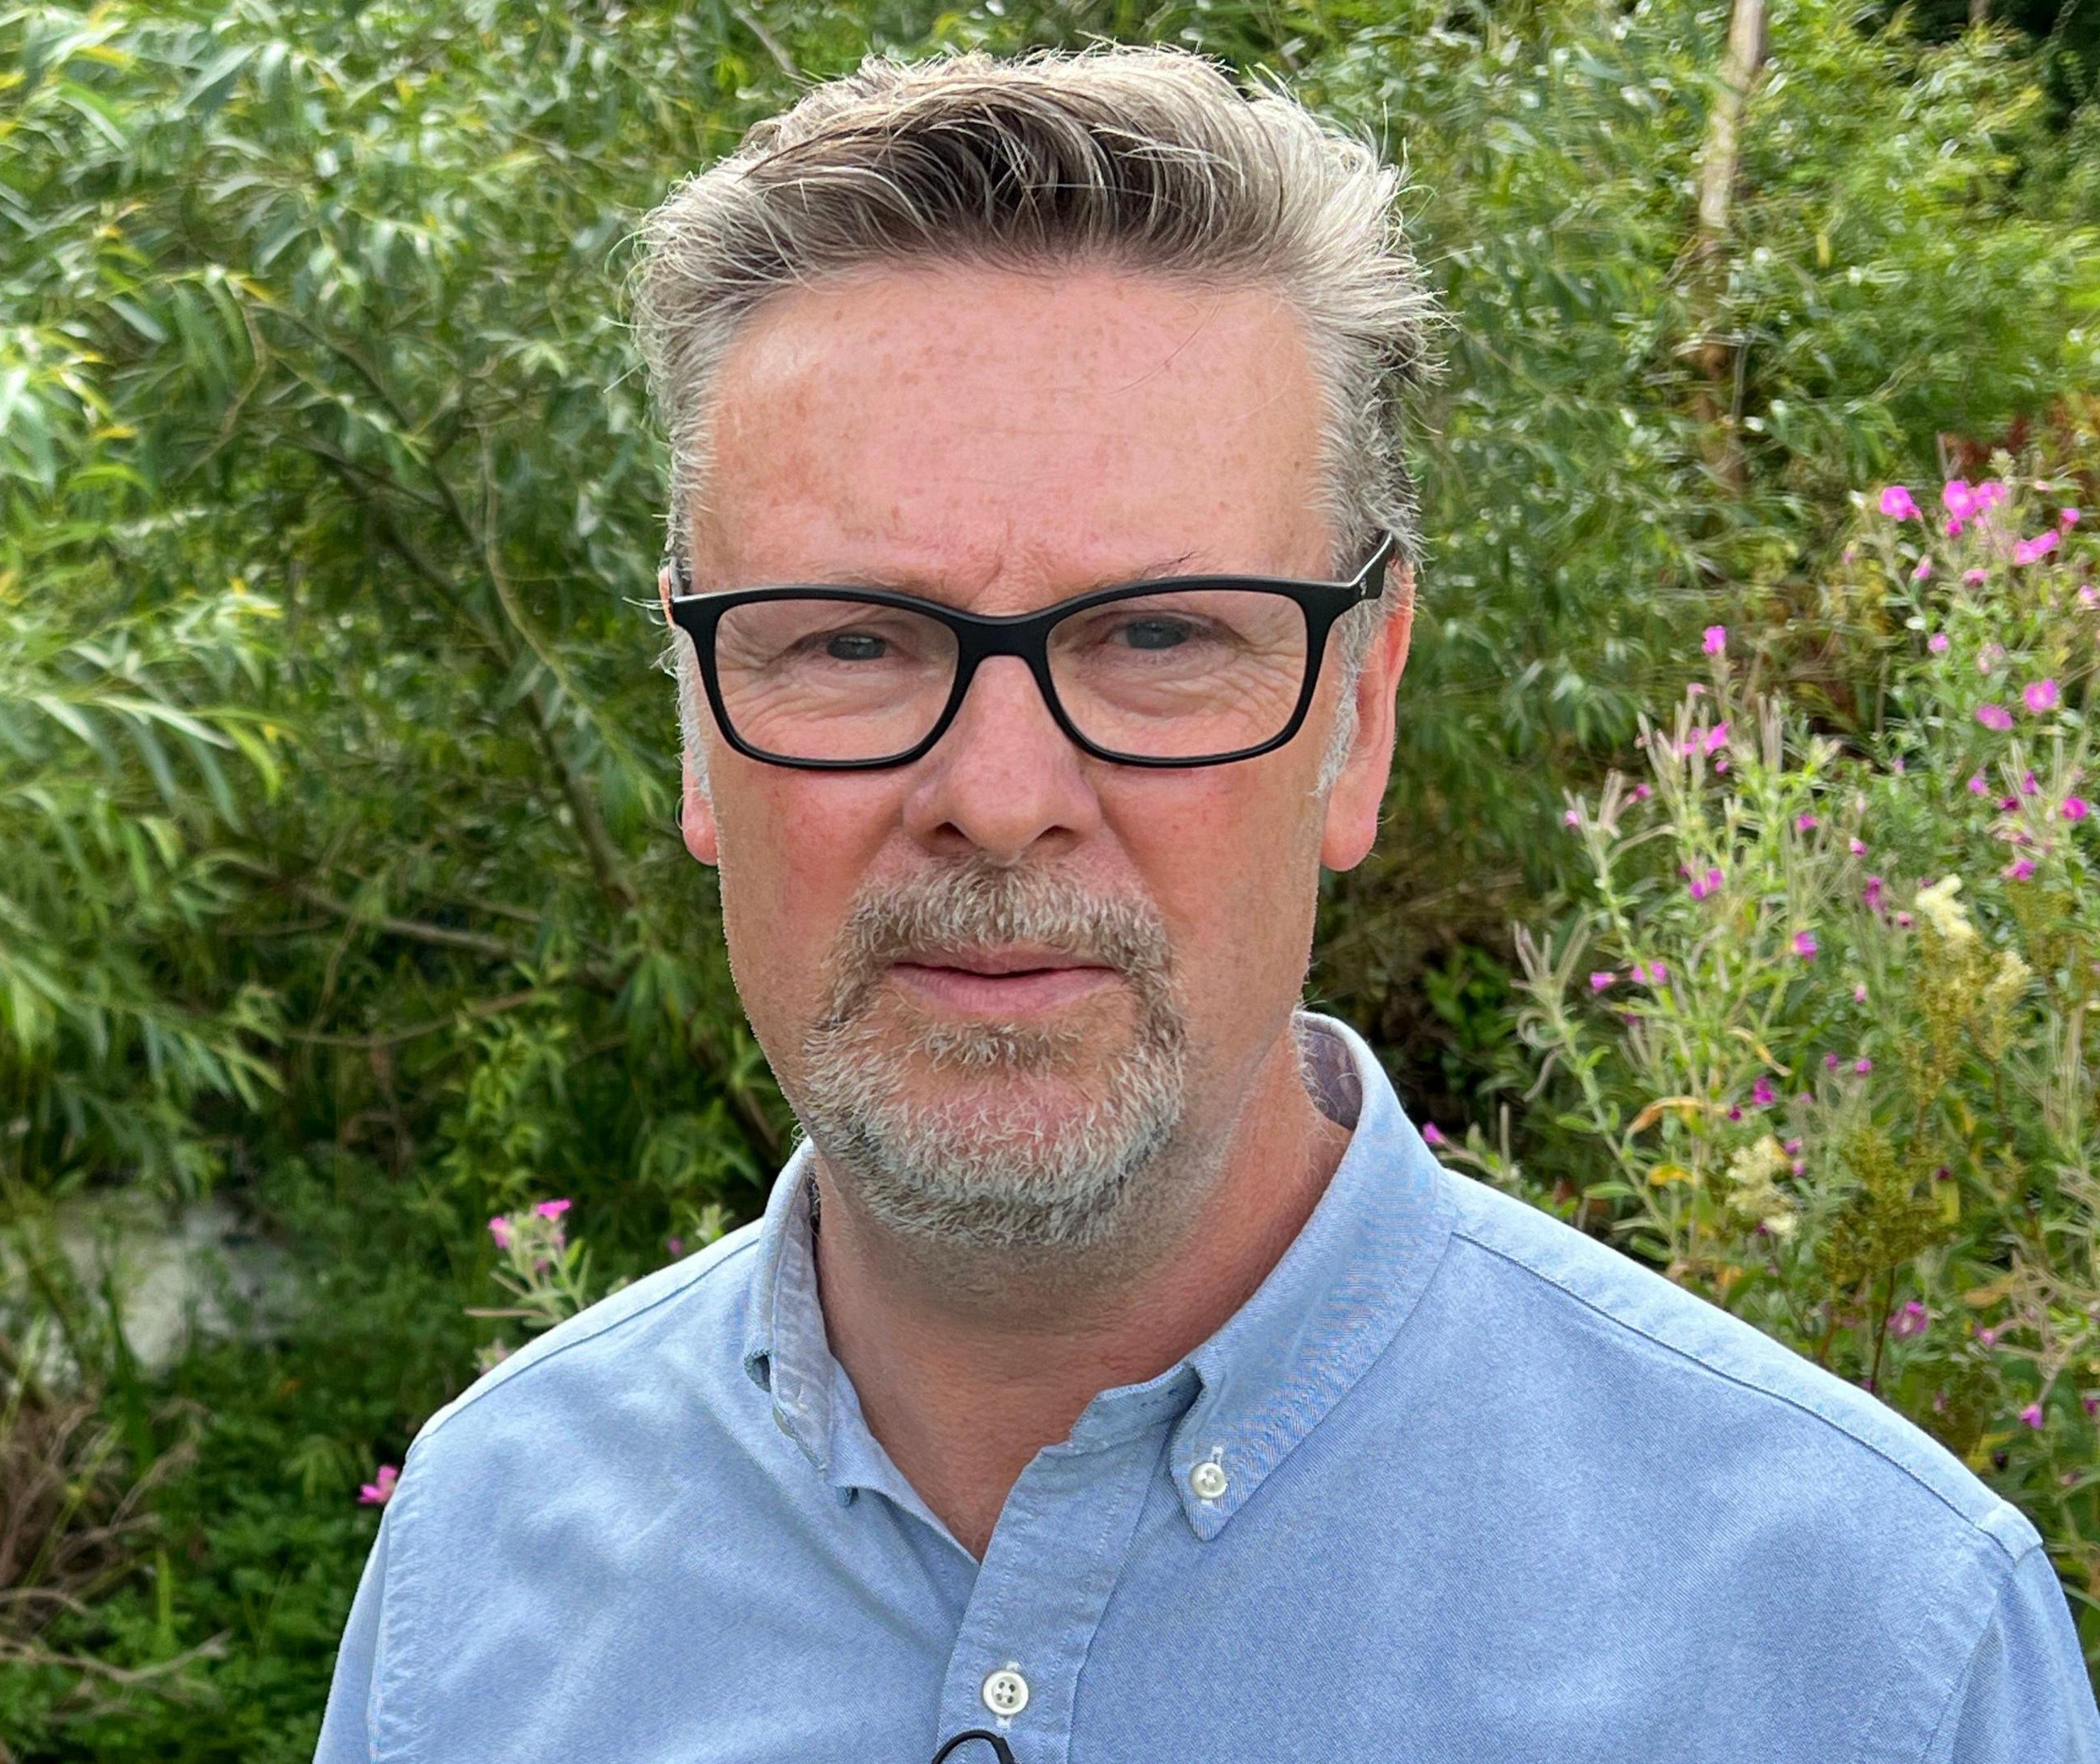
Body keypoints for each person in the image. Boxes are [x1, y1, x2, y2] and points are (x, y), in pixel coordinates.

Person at [311, 47, 2100, 1762]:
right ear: (696, 723)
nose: (1000, 800)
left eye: (1161, 637)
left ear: (1362, 711)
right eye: (851, 641)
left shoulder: (1869, 1654)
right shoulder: (480, 1574)